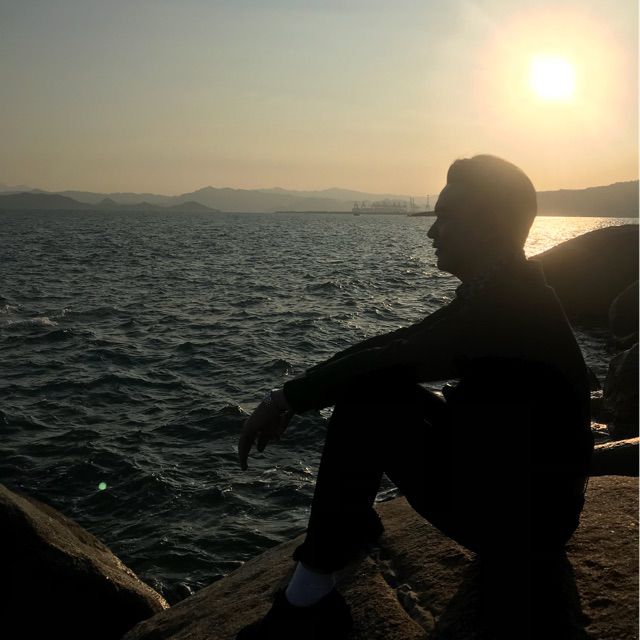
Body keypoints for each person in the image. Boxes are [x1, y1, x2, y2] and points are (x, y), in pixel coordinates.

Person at [235, 155, 594, 639]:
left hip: (525, 525)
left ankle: (308, 600)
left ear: (488, 225)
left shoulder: (508, 308)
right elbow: (395, 342)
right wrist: (288, 393)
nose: (431, 232)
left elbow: (397, 357)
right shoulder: (505, 290)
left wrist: (284, 402)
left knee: (368, 401)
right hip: (516, 488)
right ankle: (349, 529)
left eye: (445, 218)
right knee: (374, 388)